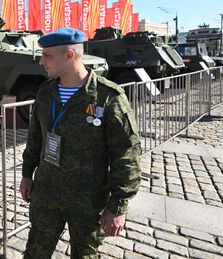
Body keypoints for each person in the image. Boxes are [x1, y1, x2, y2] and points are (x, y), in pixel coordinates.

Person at [20, 27, 141, 258]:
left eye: (47, 56)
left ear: (69, 56)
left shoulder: (108, 97)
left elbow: (126, 154)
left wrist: (117, 206)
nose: (41, 62)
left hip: (87, 199)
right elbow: (35, 138)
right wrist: (27, 174)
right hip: (46, 193)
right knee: (35, 251)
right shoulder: (45, 93)